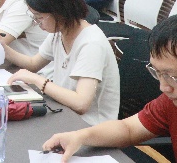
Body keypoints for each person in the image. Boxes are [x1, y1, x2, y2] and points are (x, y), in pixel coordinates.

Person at [42, 15, 177, 160]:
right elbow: (128, 129)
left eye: (172, 76)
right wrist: (80, 136)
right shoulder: (169, 102)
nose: (163, 87)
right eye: (158, 72)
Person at [0, 0, 119, 125]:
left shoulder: (91, 44)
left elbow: (81, 103)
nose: (36, 23)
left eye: (39, 17)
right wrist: (2, 47)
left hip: (91, 126)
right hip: (65, 113)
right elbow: (33, 63)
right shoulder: (60, 32)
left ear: (58, 11)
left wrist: (38, 80)